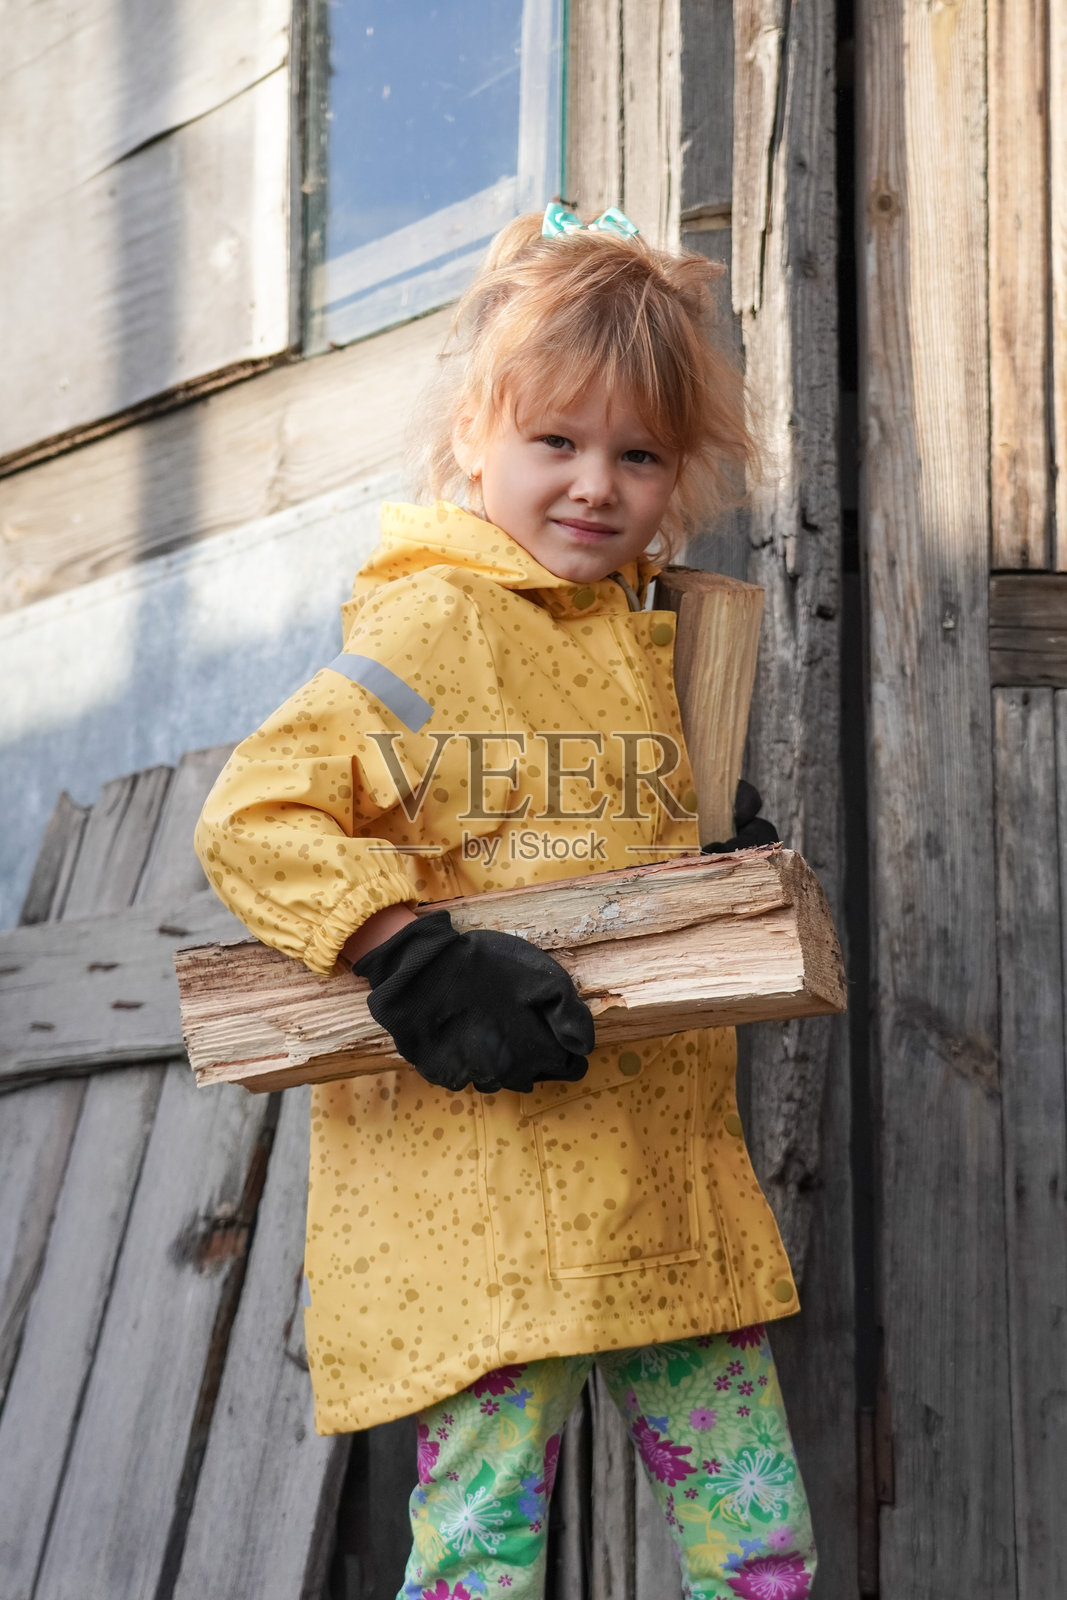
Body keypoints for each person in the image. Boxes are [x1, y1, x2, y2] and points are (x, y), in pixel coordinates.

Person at [195, 202, 815, 1600]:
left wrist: (717, 868)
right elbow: (257, 817)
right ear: (476, 436)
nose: (596, 484)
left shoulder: (666, 645)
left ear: (681, 476)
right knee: (480, 1553)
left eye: (637, 454)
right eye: (557, 442)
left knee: (759, 1540)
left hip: (662, 1192)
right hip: (486, 1207)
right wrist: (410, 952)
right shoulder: (434, 627)